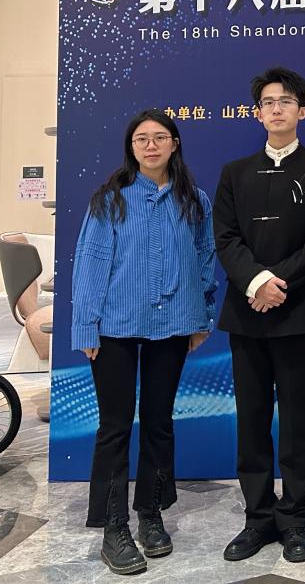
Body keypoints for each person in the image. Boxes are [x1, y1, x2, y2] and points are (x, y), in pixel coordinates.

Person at [70, 109, 216, 576]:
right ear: (131, 147)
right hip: (114, 325)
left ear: (175, 143)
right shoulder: (110, 199)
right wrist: (85, 326)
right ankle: (114, 528)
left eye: (159, 137)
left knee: (159, 423)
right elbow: (90, 262)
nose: (150, 146)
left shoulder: (194, 200)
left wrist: (202, 316)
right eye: (141, 139)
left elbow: (205, 257)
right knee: (115, 427)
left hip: (173, 324)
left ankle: (151, 515)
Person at [213, 67, 305, 564]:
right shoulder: (235, 172)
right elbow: (226, 238)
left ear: (302, 111)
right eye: (268, 102)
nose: (277, 109)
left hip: (297, 312)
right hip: (246, 313)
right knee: (250, 419)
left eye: (286, 101)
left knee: (296, 419)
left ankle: (293, 519)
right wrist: (255, 283)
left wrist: (277, 284)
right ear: (257, 113)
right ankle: (257, 517)